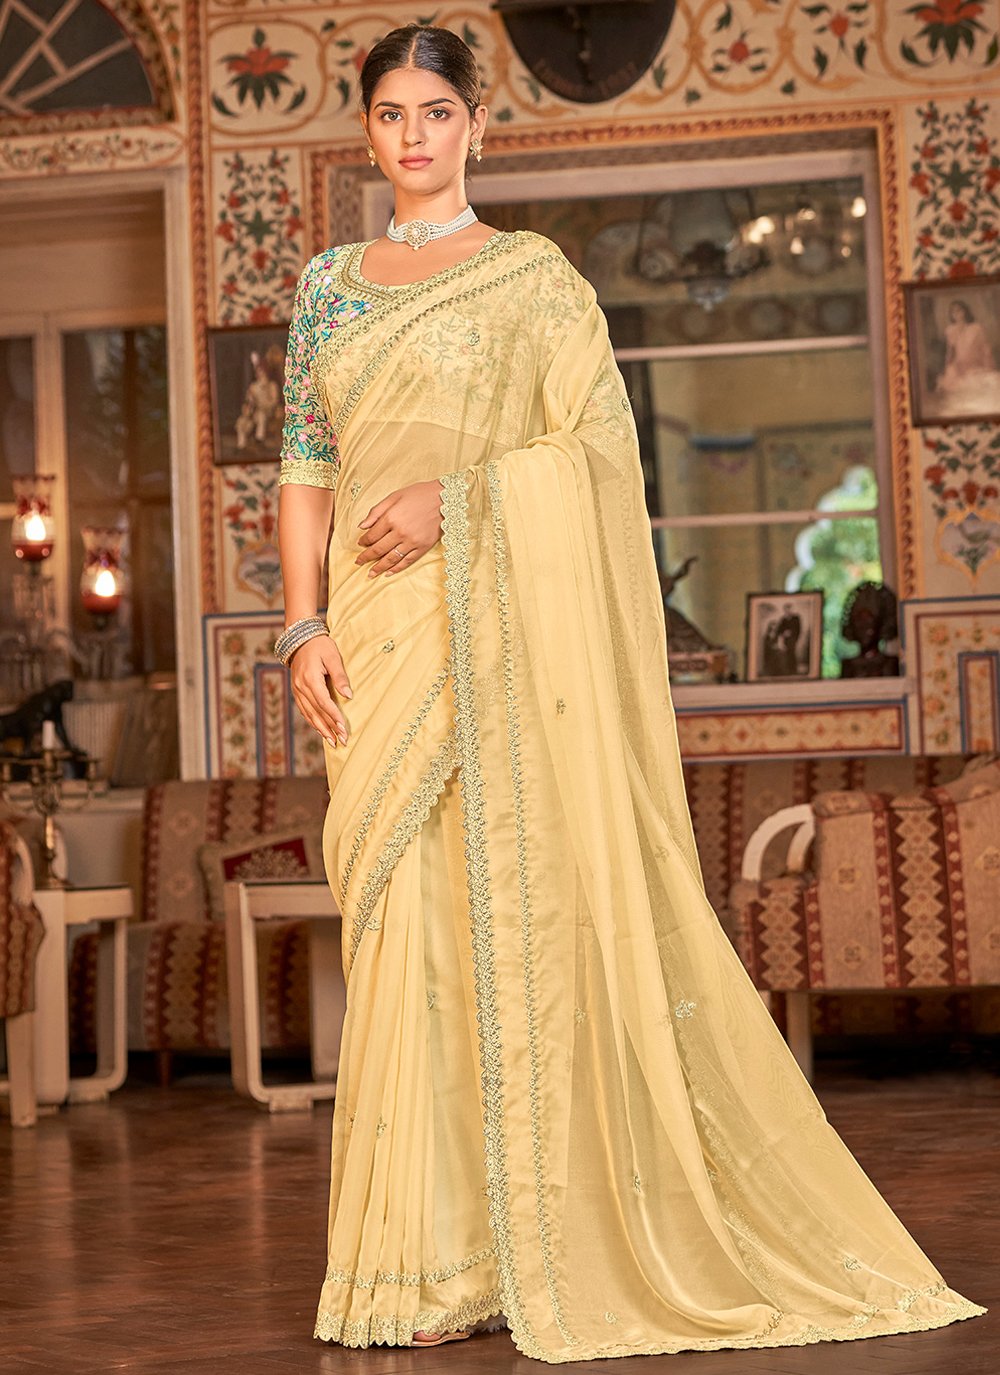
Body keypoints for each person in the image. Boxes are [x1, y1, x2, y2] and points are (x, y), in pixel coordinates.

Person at [275, 23, 986, 1363]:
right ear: (365, 130)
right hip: (366, 640)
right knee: (399, 931)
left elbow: (596, 456)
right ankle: (413, 1262)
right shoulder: (325, 287)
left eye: (436, 111)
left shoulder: (534, 280)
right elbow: (305, 465)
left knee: (499, 919)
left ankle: (523, 1243)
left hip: (487, 632)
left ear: (478, 124)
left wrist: (458, 502)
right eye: (390, 115)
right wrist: (300, 619)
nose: (414, 136)